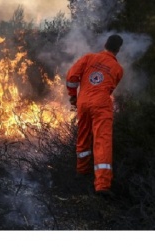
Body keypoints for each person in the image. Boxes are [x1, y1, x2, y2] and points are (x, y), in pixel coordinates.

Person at [66, 34, 124, 196]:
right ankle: (102, 185)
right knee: (102, 140)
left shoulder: (89, 57)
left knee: (83, 136)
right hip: (101, 104)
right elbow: (110, 88)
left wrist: (73, 96)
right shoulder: (118, 69)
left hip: (83, 102)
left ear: (105, 45)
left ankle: (82, 171)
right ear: (118, 50)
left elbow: (71, 77)